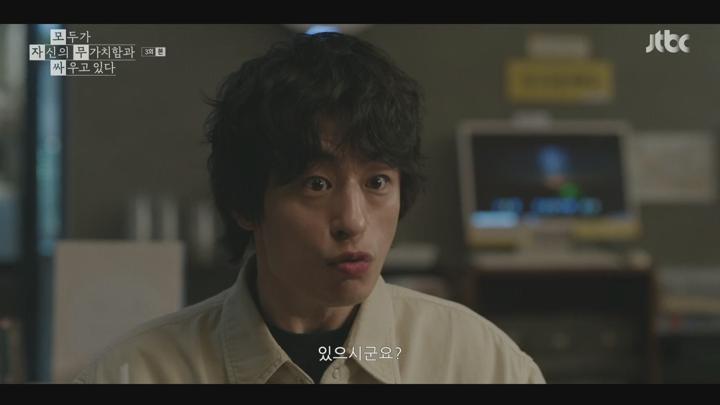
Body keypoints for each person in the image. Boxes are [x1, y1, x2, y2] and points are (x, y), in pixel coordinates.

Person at [74, 32, 545, 384]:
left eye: (377, 182)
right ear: (245, 204)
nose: (353, 221)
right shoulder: (140, 372)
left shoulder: (479, 363)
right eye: (316, 184)